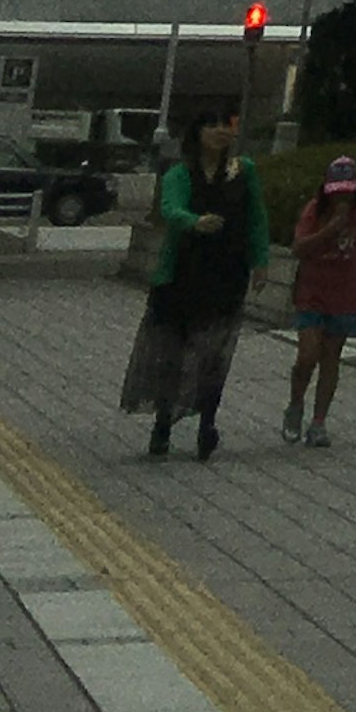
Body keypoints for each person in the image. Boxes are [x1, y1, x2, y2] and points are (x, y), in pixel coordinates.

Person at [119, 107, 269, 459]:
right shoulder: (180, 173)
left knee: (215, 352)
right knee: (172, 354)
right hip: (182, 275)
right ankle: (162, 425)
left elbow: (257, 218)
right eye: (211, 124)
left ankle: (207, 425)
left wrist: (260, 261)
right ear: (197, 133)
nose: (220, 131)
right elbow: (170, 209)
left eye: (225, 124)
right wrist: (194, 221)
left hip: (227, 273)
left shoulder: (243, 171)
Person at [281, 156, 356, 447]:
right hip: (312, 292)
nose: (342, 196)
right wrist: (329, 230)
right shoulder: (315, 211)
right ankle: (295, 403)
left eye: (348, 189)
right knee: (307, 356)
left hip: (345, 295)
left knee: (331, 356)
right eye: (337, 189)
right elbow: (298, 248)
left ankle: (319, 422)